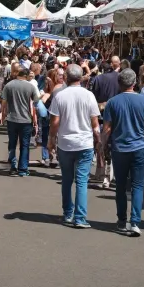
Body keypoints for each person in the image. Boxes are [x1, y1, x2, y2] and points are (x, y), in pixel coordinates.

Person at [102, 69, 144, 236]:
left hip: (120, 148)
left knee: (120, 185)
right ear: (135, 83)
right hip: (139, 147)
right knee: (137, 185)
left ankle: (121, 221)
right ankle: (135, 222)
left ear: (120, 83)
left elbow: (107, 128)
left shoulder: (112, 102)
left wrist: (103, 145)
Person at [48, 64, 100, 228]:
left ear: (66, 78)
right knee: (82, 181)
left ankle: (68, 213)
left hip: (65, 143)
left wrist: (51, 139)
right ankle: (80, 217)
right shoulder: (89, 95)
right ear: (80, 77)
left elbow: (55, 122)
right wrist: (98, 139)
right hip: (84, 143)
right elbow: (95, 123)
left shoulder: (60, 96)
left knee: (67, 179)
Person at [0, 65, 39, 176]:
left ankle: (13, 166)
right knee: (24, 144)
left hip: (12, 119)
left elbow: (4, 102)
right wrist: (35, 120)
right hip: (26, 120)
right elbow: (35, 104)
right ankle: (23, 169)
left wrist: (2, 114)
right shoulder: (31, 87)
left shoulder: (9, 85)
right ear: (26, 76)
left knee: (12, 143)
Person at [91, 55, 122, 189]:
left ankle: (101, 172)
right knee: (115, 146)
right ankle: (112, 174)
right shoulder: (120, 78)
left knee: (101, 145)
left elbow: (93, 98)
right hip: (118, 117)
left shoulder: (98, 79)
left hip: (101, 116)